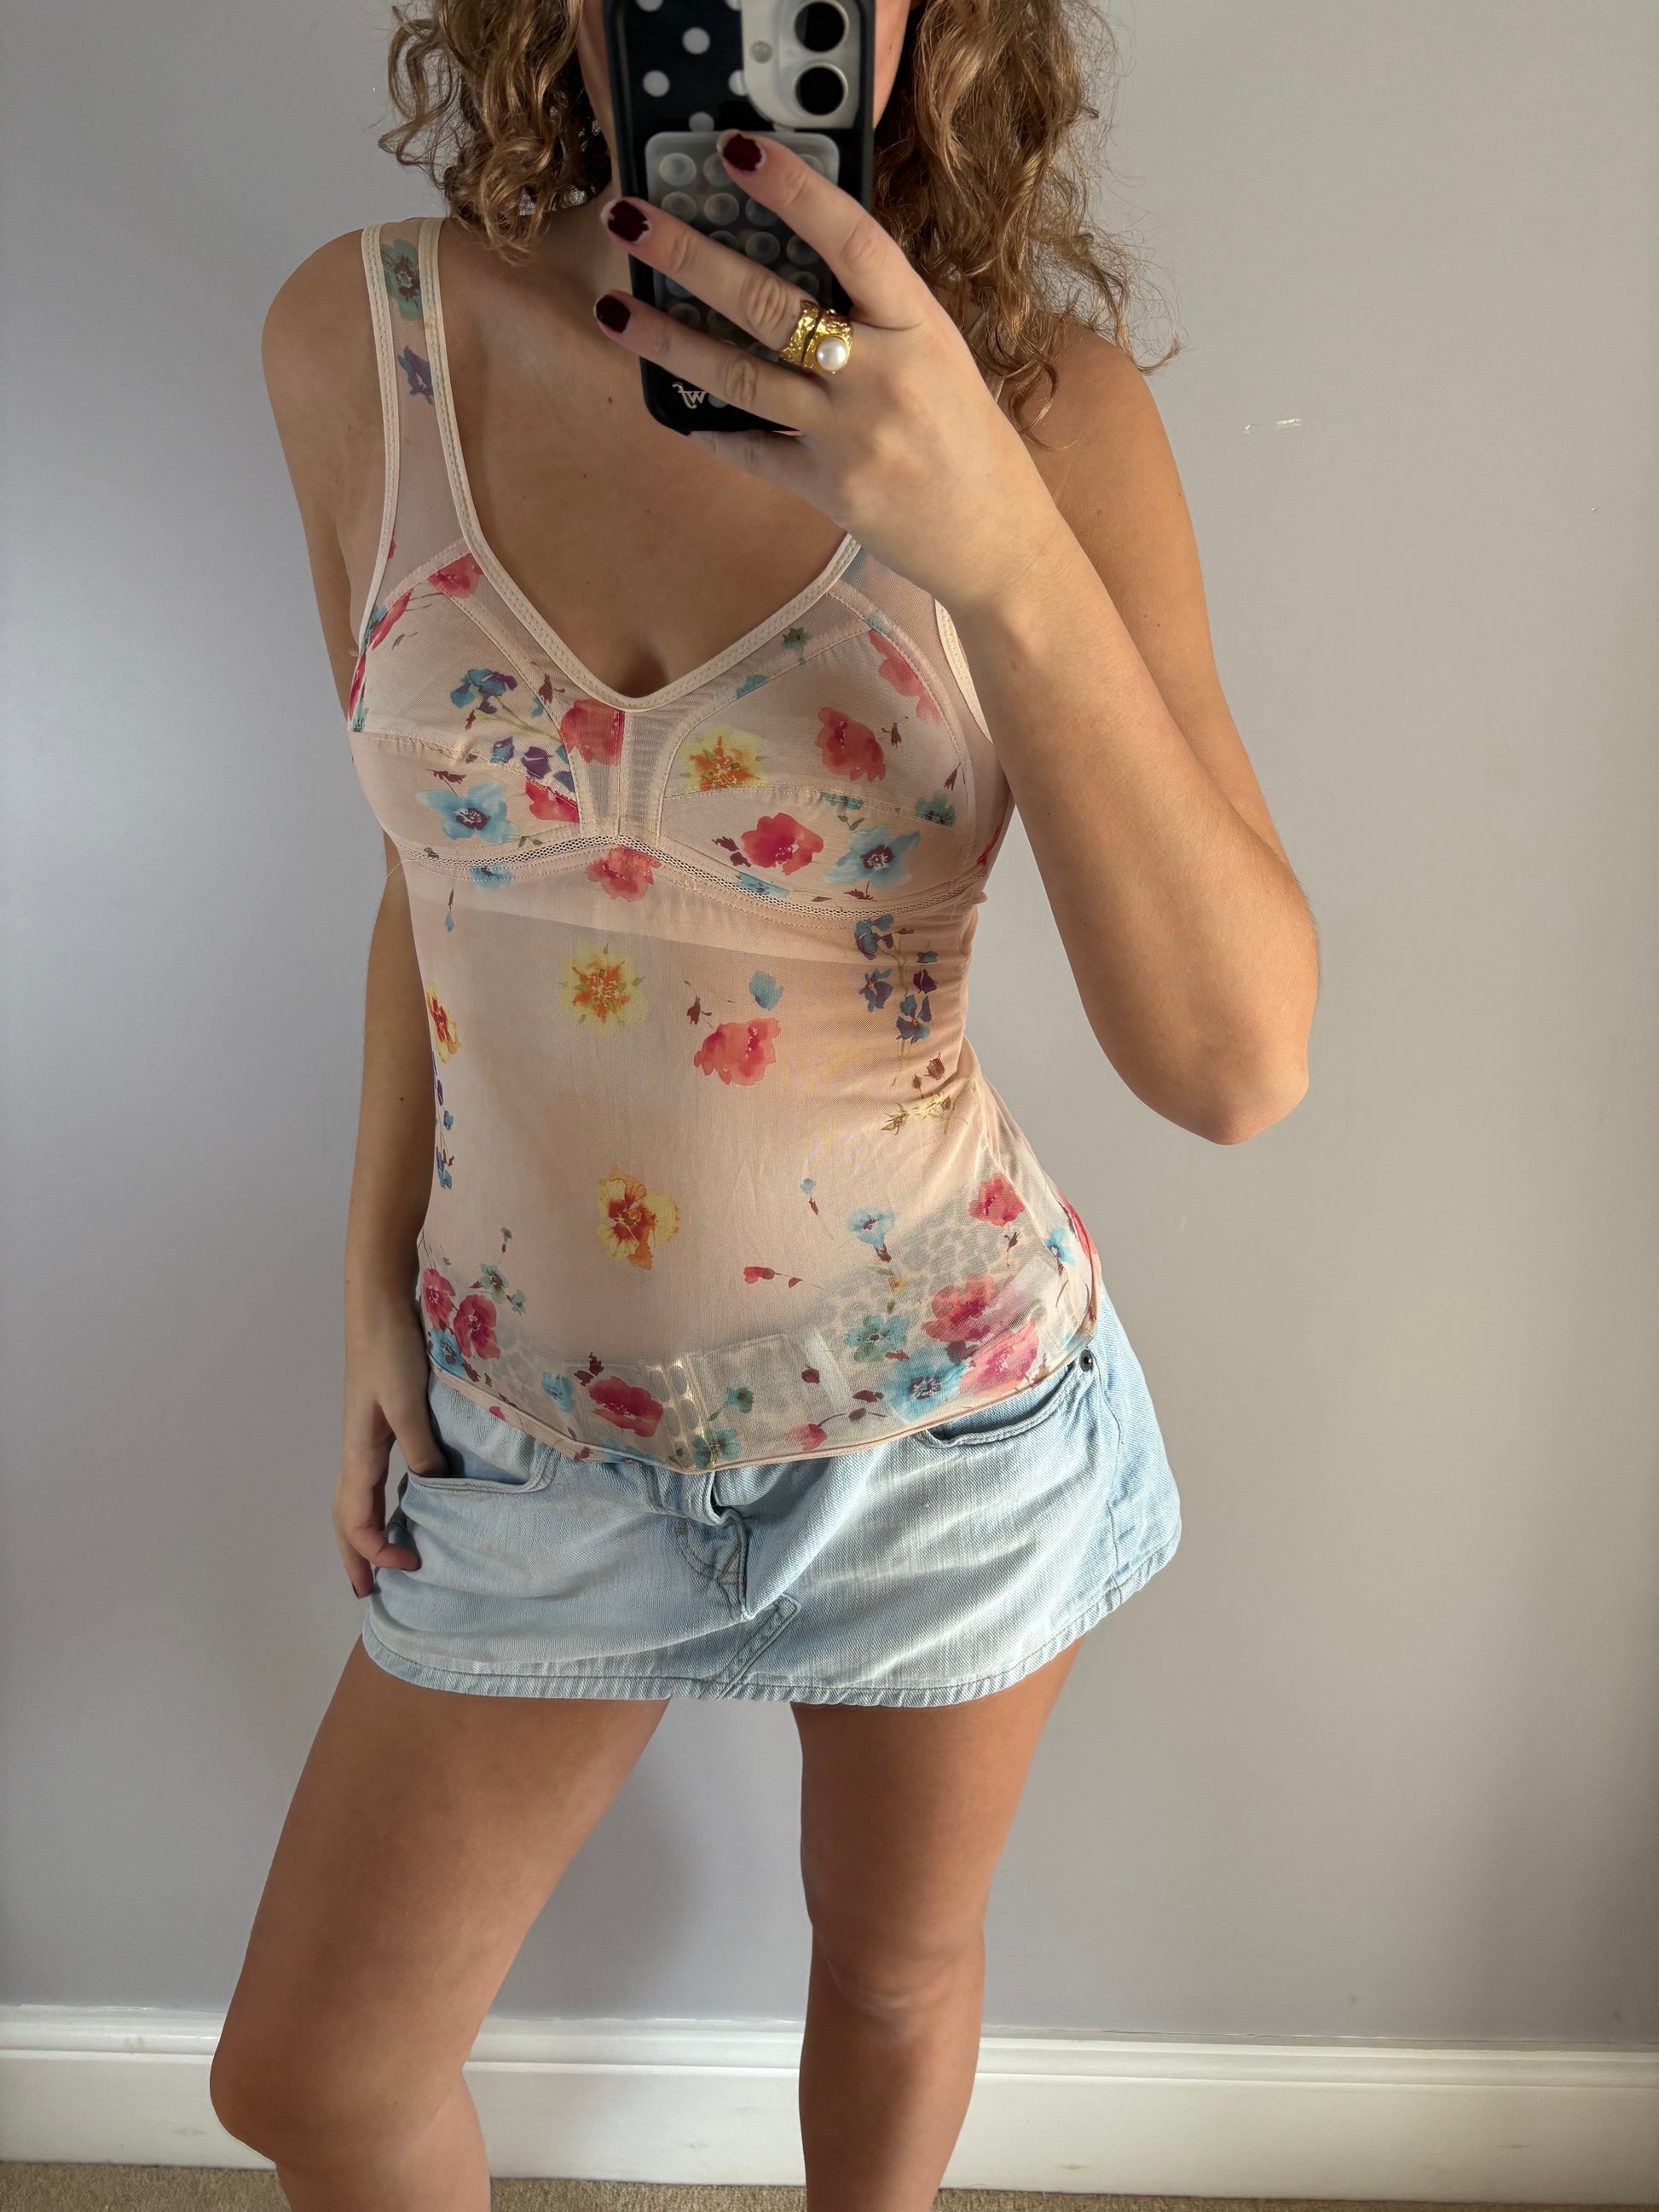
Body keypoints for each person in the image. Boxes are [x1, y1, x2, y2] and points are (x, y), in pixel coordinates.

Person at [211, 0, 1317, 2200]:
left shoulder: (1042, 416)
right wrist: (368, 1281)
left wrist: (995, 540)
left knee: (893, 1976)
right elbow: (442, 868)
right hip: (528, 1437)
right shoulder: (366, 344)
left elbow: (1235, 1062)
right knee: (314, 2078)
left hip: (938, 1423)